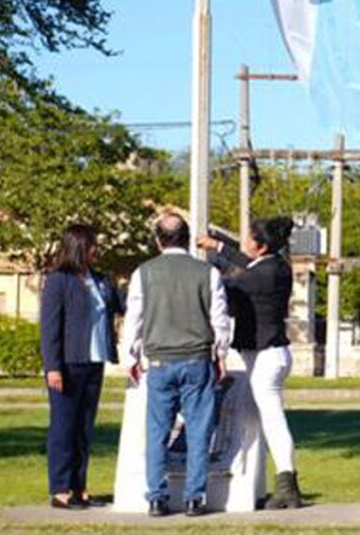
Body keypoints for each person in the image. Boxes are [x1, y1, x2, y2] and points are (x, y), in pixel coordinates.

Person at [121, 212, 231, 517]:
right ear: (186, 239)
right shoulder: (207, 272)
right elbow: (219, 320)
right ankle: (195, 497)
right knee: (199, 431)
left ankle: (157, 496)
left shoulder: (143, 273)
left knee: (157, 431)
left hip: (158, 361)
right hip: (197, 359)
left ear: (158, 241)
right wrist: (221, 354)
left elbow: (134, 319)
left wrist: (131, 356)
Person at [196, 217, 304, 509]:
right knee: (257, 419)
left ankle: (287, 483)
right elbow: (246, 261)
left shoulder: (258, 277)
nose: (243, 242)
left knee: (272, 420)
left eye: (247, 238)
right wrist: (219, 246)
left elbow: (230, 284)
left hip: (265, 356)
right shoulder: (277, 266)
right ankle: (258, 482)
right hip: (270, 353)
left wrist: (208, 265)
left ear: (262, 245)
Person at [40, 224, 123, 509]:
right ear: (78, 248)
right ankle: (61, 487)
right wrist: (52, 366)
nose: (96, 250)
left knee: (84, 428)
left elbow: (122, 305)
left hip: (94, 361)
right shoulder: (58, 280)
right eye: (91, 246)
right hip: (67, 363)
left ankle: (80, 484)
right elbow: (50, 327)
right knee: (64, 427)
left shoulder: (101, 280)